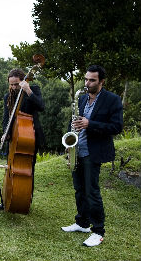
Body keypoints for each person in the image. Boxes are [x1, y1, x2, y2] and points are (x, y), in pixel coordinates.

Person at [61, 65, 123, 247]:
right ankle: (82, 223)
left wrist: (90, 123)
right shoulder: (81, 99)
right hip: (77, 150)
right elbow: (74, 122)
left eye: (92, 80)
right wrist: (69, 142)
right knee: (79, 190)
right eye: (86, 79)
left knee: (92, 192)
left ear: (101, 81)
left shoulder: (112, 100)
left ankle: (98, 231)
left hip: (93, 152)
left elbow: (116, 127)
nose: (87, 83)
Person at [2, 68, 45, 172]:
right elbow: (6, 118)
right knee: (11, 168)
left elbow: (41, 107)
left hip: (30, 137)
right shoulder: (8, 96)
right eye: (11, 84)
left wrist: (28, 91)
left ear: (23, 81)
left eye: (16, 84)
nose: (13, 87)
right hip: (13, 137)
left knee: (28, 170)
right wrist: (5, 133)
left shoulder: (33, 89)